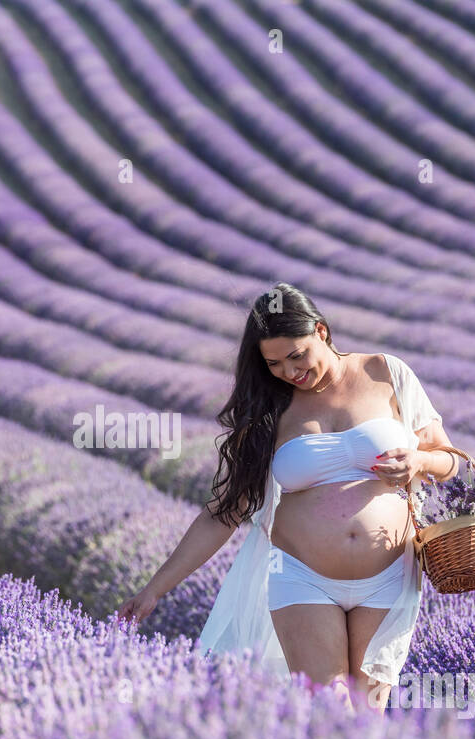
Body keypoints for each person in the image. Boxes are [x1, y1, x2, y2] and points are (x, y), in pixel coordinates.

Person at [116, 283, 457, 716]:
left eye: (297, 355)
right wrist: (155, 589)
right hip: (302, 577)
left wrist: (419, 462)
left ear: (322, 332)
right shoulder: (270, 410)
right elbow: (223, 513)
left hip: (389, 575)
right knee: (331, 714)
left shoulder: (386, 373)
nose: (290, 371)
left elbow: (450, 460)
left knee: (368, 718)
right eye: (274, 363)